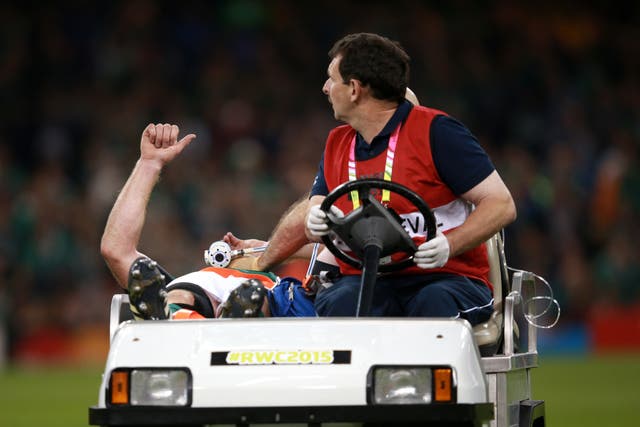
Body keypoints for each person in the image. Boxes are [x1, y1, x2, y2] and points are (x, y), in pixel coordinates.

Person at [229, 33, 516, 325]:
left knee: (433, 302)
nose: (325, 88)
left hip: (447, 277)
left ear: (354, 89)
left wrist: (450, 244)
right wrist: (316, 219)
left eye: (331, 79)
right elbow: (319, 207)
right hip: (370, 279)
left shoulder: (438, 132)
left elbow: (501, 204)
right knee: (340, 301)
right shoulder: (336, 143)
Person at [100, 123, 315, 321]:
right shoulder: (176, 284)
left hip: (256, 308)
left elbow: (329, 248)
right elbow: (115, 249)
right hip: (203, 307)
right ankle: (182, 319)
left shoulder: (282, 289)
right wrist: (149, 164)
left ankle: (180, 322)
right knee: (179, 293)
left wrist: (272, 250)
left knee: (251, 298)